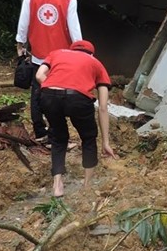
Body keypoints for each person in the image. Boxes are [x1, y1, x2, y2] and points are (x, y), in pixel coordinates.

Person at [35, 40, 117, 197]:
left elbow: (39, 75)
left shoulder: (56, 53)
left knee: (58, 138)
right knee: (88, 138)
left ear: (71, 50)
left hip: (48, 95)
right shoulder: (96, 63)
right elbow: (103, 107)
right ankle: (86, 186)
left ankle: (57, 184)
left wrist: (55, 88)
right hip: (78, 98)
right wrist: (106, 142)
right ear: (91, 54)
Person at [16, 0, 82, 143]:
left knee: (37, 93)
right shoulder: (70, 0)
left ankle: (40, 131)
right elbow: (76, 33)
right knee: (58, 95)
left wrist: (20, 45)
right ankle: (56, 132)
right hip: (61, 60)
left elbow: (23, 25)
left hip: (39, 58)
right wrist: (80, 55)